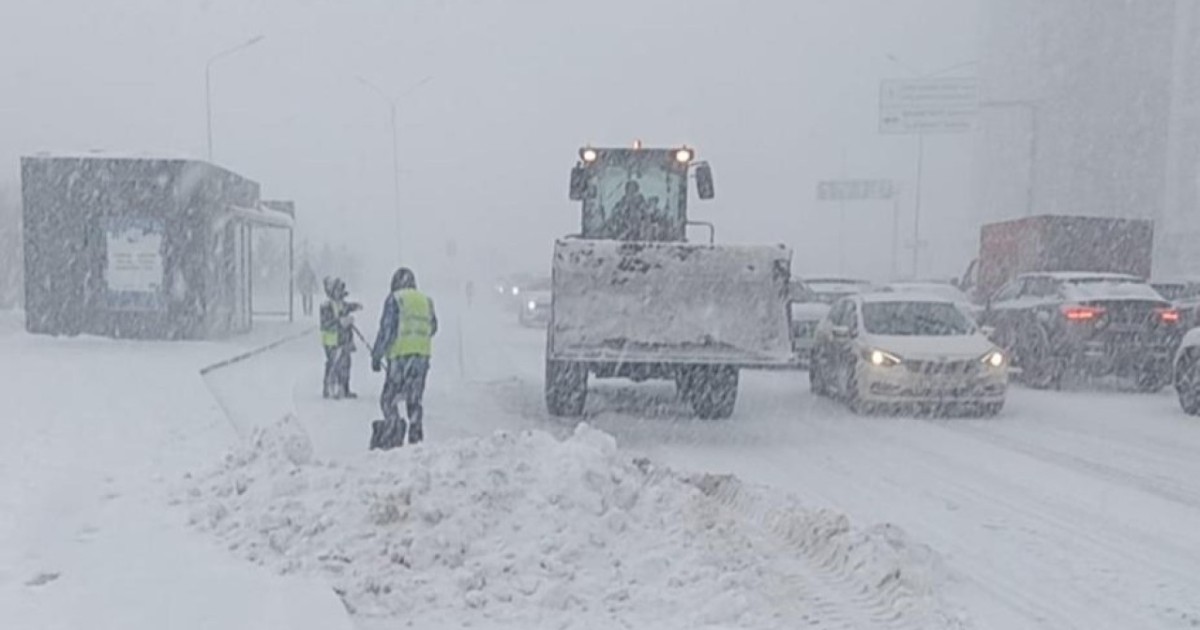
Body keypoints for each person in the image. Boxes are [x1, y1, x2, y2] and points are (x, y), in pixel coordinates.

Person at [370, 267, 437, 449]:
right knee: (414, 401)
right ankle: (416, 440)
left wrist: (376, 356)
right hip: (421, 360)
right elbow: (433, 328)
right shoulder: (426, 301)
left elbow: (387, 331)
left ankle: (392, 431)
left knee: (388, 399)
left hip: (400, 359)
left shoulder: (395, 299)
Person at [319, 277, 361, 399]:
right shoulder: (326, 306)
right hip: (331, 340)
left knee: (346, 364)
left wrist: (356, 306)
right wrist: (341, 322)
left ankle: (345, 389)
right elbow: (326, 323)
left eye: (341, 289)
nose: (340, 292)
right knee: (333, 364)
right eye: (337, 289)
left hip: (344, 339)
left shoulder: (343, 304)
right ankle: (329, 389)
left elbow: (349, 307)